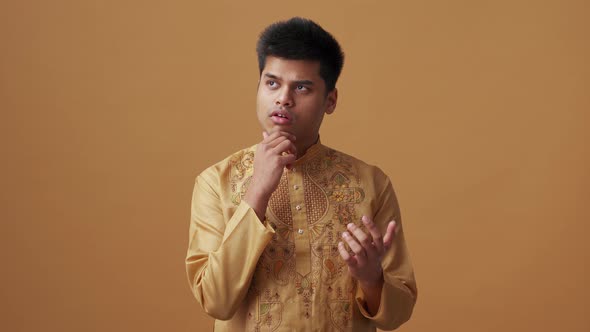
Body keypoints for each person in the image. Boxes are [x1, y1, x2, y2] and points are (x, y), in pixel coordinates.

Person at [185, 17, 417, 331]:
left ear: (330, 100)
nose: (283, 98)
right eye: (272, 83)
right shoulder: (216, 183)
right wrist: (257, 192)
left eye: (302, 87)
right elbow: (216, 301)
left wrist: (372, 279)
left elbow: (398, 314)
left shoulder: (370, 183)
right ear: (258, 87)